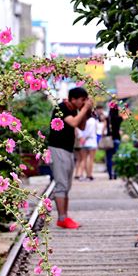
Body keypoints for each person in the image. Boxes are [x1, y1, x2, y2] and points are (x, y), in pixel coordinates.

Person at [48, 87, 93, 229]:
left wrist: (86, 110)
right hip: (58, 149)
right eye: (82, 100)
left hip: (67, 150)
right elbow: (73, 123)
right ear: (73, 99)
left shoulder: (73, 109)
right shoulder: (61, 107)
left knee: (66, 186)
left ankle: (65, 217)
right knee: (61, 184)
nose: (83, 102)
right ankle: (61, 218)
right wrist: (85, 109)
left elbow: (82, 126)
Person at [79, 110, 98, 180]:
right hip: (91, 141)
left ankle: (81, 174)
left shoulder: (82, 120)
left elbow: (79, 130)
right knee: (91, 159)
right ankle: (89, 175)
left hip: (83, 142)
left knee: (83, 159)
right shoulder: (93, 120)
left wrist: (82, 138)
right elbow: (93, 131)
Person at [105, 107, 122, 179]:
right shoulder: (119, 118)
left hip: (109, 140)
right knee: (116, 158)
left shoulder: (107, 119)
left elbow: (104, 129)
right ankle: (115, 174)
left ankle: (110, 175)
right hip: (117, 139)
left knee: (109, 158)